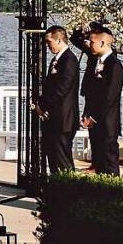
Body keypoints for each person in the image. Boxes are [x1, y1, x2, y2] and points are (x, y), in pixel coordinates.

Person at [35, 26, 80, 173]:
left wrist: (42, 105)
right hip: (54, 118)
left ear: (59, 39)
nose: (47, 46)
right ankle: (56, 190)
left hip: (64, 119)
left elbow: (62, 89)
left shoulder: (69, 60)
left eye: (49, 42)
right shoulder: (58, 59)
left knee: (62, 159)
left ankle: (68, 192)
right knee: (53, 157)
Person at [80, 27, 123, 176]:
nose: (89, 44)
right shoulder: (96, 63)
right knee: (99, 162)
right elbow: (92, 93)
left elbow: (110, 97)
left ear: (103, 42)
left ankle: (113, 194)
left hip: (107, 123)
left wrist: (94, 117)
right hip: (95, 122)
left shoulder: (114, 65)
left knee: (109, 163)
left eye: (92, 42)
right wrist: (86, 114)